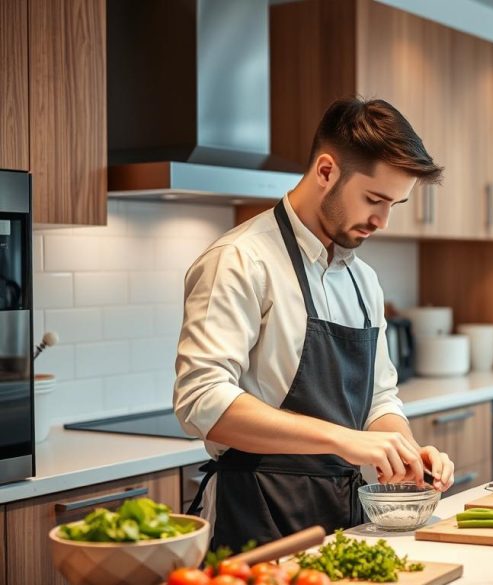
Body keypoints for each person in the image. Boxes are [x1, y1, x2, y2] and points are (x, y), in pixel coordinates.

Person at [174, 98, 455, 550]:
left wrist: (405, 451)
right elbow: (201, 400)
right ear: (326, 171)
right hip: (256, 516)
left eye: (395, 204)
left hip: (346, 518)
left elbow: (379, 398)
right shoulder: (241, 260)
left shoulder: (364, 279)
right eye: (374, 199)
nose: (383, 221)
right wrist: (347, 441)